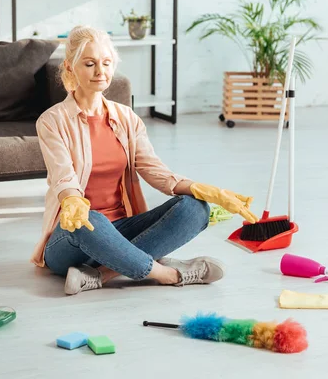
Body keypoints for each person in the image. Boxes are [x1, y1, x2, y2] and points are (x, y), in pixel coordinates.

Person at [31, 25, 258, 295]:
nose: (100, 72)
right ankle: (169, 274)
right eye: (90, 64)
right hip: (73, 238)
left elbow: (155, 172)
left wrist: (204, 190)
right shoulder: (52, 121)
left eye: (106, 63)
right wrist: (71, 200)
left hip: (124, 232)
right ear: (70, 67)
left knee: (195, 209)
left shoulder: (127, 118)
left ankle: (103, 274)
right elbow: (62, 175)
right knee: (90, 219)